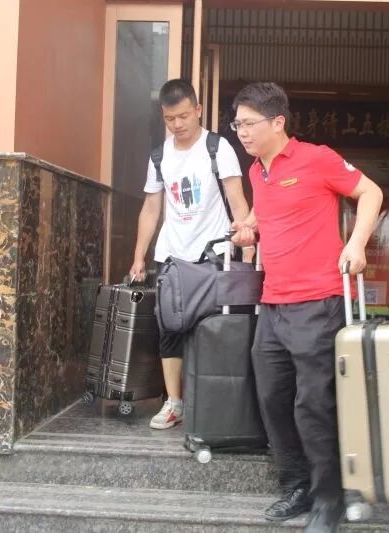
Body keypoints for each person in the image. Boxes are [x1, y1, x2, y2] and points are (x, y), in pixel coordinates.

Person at [230, 82, 383, 533]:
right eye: (237, 124)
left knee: (313, 403)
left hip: (318, 302)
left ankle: (329, 499)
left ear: (278, 122)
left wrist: (356, 243)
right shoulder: (257, 171)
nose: (242, 132)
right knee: (272, 398)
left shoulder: (317, 159)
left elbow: (371, 193)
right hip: (273, 305)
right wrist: (249, 228)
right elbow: (266, 213)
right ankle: (297, 485)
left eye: (249, 124)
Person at [129, 79, 252, 430]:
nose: (178, 124)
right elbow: (151, 208)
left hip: (214, 254)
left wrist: (248, 247)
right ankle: (175, 402)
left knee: (214, 328)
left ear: (198, 110)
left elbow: (237, 201)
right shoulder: (159, 156)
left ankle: (211, 402)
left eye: (183, 116)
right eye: (170, 119)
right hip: (172, 256)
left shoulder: (218, 147)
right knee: (169, 327)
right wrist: (139, 256)